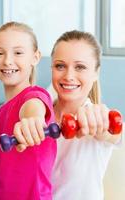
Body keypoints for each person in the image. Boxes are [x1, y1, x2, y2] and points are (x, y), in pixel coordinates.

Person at [0, 22, 56, 200]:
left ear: (35, 57)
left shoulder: (36, 96)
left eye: (18, 53)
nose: (7, 60)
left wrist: (32, 120)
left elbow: (33, 107)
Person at [50, 30, 123, 200]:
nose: (69, 76)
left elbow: (117, 135)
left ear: (96, 73)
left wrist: (104, 127)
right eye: (60, 66)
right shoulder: (38, 115)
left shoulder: (98, 120)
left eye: (80, 67)